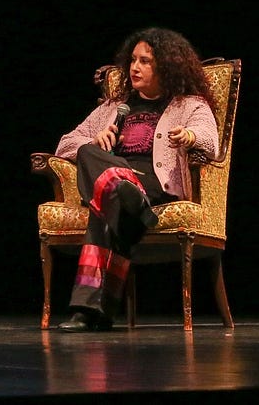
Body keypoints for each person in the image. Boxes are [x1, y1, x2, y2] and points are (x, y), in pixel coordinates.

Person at [52, 27, 220, 332]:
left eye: (145, 61)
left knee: (102, 203)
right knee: (92, 157)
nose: (134, 67)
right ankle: (129, 200)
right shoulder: (113, 108)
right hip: (120, 185)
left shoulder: (189, 105)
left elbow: (210, 140)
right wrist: (95, 139)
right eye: (132, 60)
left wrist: (189, 135)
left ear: (167, 66)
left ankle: (86, 311)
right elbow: (65, 144)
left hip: (156, 184)